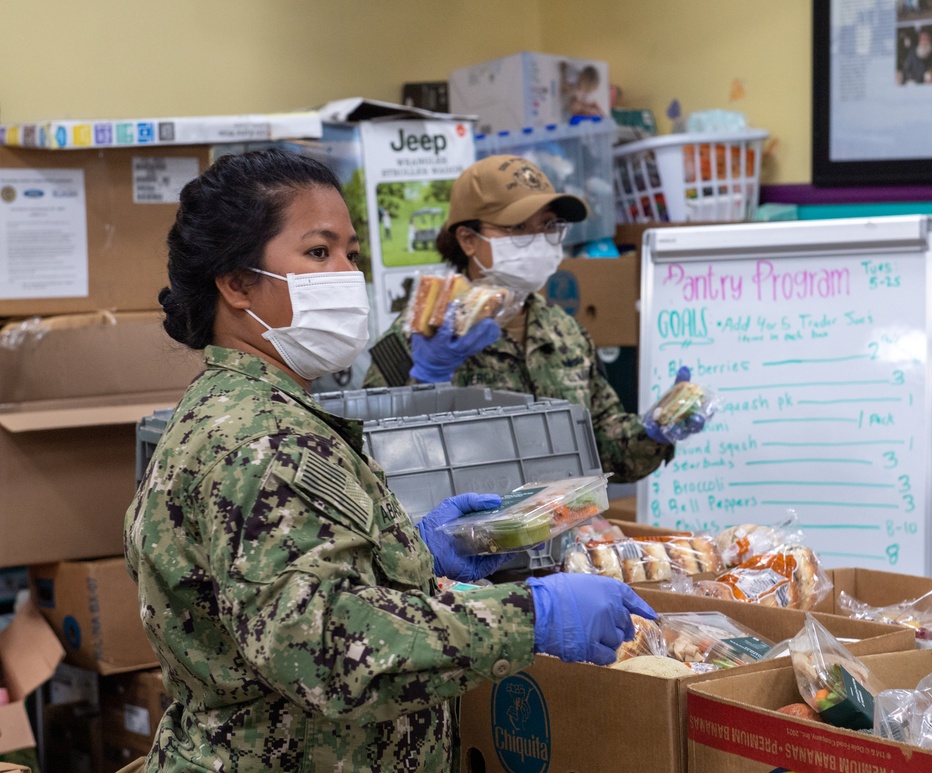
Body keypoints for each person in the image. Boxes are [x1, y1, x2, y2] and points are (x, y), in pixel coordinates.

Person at [124, 147, 656, 772]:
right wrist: (533, 616)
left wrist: (410, 555)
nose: (346, 274)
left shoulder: (259, 411)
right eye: (318, 253)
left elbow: (275, 593)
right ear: (238, 284)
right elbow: (321, 648)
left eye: (350, 253)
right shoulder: (262, 443)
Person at [364, 154, 703, 483]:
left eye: (548, 225)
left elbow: (603, 446)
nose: (539, 240)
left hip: (562, 527)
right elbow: (375, 458)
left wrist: (655, 429)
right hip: (461, 535)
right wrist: (426, 380)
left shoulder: (565, 333)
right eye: (518, 227)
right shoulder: (423, 334)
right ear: (468, 240)